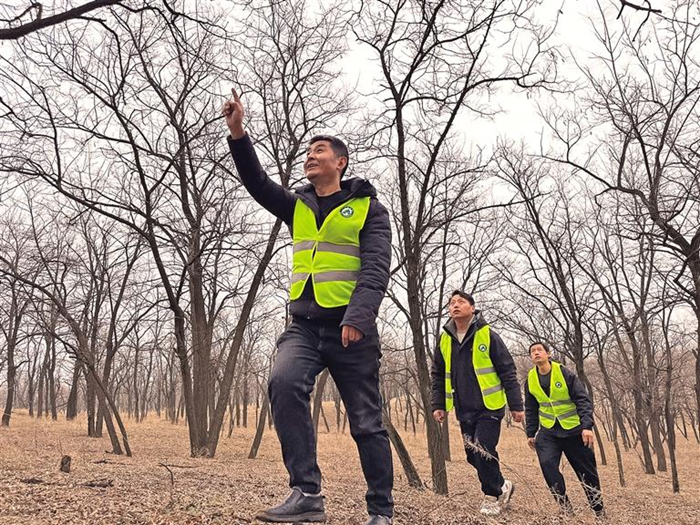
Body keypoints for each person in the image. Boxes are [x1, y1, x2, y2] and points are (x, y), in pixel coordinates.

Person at [222, 89, 394, 525]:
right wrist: (238, 133)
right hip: (303, 326)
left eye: (320, 150)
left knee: (366, 423)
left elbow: (375, 268)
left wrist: (358, 317)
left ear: (341, 162)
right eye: (308, 152)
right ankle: (307, 493)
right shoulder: (297, 205)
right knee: (283, 383)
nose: (310, 156)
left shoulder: (369, 210)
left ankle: (381, 511)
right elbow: (257, 183)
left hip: (351, 329)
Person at [430, 291, 524, 517]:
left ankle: (491, 497)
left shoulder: (488, 335)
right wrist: (438, 404)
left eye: (461, 302)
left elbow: (507, 371)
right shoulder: (445, 339)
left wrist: (516, 405)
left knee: (483, 449)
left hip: (489, 406)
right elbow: (437, 374)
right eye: (451, 303)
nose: (455, 305)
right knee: (472, 455)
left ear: (473, 308)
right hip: (464, 408)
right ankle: (503, 486)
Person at [525, 342, 605, 518]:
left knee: (587, 472)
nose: (536, 353)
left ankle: (598, 510)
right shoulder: (530, 379)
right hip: (548, 431)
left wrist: (586, 427)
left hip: (574, 430)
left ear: (548, 354)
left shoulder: (565, 374)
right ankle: (566, 508)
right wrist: (530, 433)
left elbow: (583, 400)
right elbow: (530, 407)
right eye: (532, 351)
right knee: (547, 466)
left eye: (539, 350)